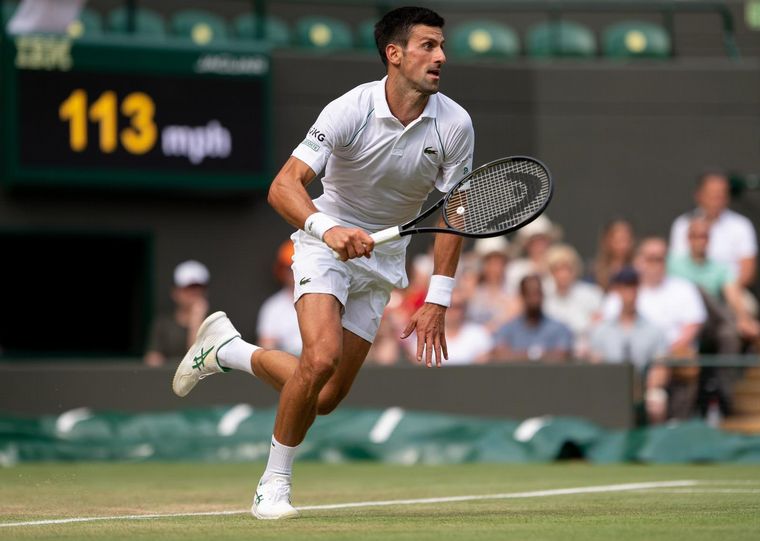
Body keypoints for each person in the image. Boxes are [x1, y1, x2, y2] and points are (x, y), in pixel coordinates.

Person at [171, 7, 474, 520]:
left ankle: (229, 351)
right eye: (427, 45)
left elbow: (456, 214)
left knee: (327, 395)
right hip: (322, 242)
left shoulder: (456, 124)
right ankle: (274, 484)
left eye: (441, 45)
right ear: (394, 54)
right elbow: (283, 185)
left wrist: (438, 299)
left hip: (383, 258)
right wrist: (326, 229)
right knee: (320, 358)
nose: (440, 56)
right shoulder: (349, 109)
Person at [601, 237, 707, 420]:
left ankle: (674, 429)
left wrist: (665, 353)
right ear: (638, 260)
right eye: (651, 258)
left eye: (661, 259)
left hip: (667, 360)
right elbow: (603, 331)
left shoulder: (683, 288)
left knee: (675, 368)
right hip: (620, 370)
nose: (656, 264)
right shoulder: (620, 294)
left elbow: (693, 325)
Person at [588, 267, 669, 423]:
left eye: (633, 286)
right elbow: (595, 366)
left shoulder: (653, 330)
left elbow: (660, 368)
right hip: (608, 387)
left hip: (642, 388)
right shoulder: (601, 331)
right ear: (617, 290)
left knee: (657, 401)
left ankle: (652, 444)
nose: (629, 293)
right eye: (624, 287)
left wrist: (643, 389)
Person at [669, 171, 757, 289]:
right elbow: (676, 267)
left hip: (730, 291)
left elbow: (747, 271)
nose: (717, 200)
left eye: (721, 195)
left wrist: (722, 289)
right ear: (699, 195)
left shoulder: (741, 225)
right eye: (712, 195)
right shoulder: (682, 224)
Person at [143, 260, 211, 367]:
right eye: (188, 288)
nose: (194, 293)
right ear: (175, 292)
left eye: (198, 288)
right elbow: (152, 359)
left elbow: (198, 361)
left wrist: (196, 320)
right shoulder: (163, 324)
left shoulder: (215, 324)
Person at [492, 274, 574, 362]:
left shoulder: (559, 328)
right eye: (529, 294)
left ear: (543, 295)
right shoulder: (507, 328)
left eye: (537, 293)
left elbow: (562, 354)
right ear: (522, 296)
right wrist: (536, 356)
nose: (534, 299)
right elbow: (500, 354)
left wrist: (520, 355)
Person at [544, 244, 603, 358]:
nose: (563, 274)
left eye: (567, 269)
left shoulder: (592, 295)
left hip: (585, 356)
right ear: (551, 272)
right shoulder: (545, 298)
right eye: (558, 269)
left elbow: (598, 328)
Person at [465, 237, 520, 334]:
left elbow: (515, 313)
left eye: (499, 260)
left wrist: (489, 329)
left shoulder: (512, 289)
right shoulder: (470, 286)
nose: (495, 266)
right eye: (489, 260)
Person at [256, 240, 302, 356]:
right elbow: (266, 346)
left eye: (299, 267)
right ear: (281, 271)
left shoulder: (326, 299)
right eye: (290, 268)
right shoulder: (273, 306)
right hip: (289, 365)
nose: (295, 273)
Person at [504, 214, 560, 295]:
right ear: (527, 245)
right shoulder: (515, 269)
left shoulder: (559, 267)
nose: (540, 246)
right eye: (534, 242)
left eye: (543, 240)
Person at [586, 219, 636, 291]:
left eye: (626, 240)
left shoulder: (637, 268)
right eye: (618, 240)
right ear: (607, 240)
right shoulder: (594, 271)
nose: (622, 245)